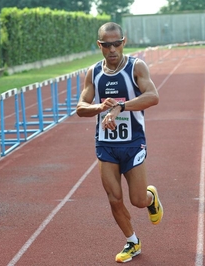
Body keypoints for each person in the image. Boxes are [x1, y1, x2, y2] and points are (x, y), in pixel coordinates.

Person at [76, 22, 163, 263]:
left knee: (137, 200)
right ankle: (132, 241)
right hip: (105, 144)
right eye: (107, 45)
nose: (112, 49)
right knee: (114, 197)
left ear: (123, 42)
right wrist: (99, 108)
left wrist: (121, 107)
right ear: (99, 45)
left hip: (133, 142)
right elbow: (80, 108)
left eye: (117, 44)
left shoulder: (136, 67)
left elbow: (153, 96)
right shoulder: (94, 73)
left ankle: (150, 198)